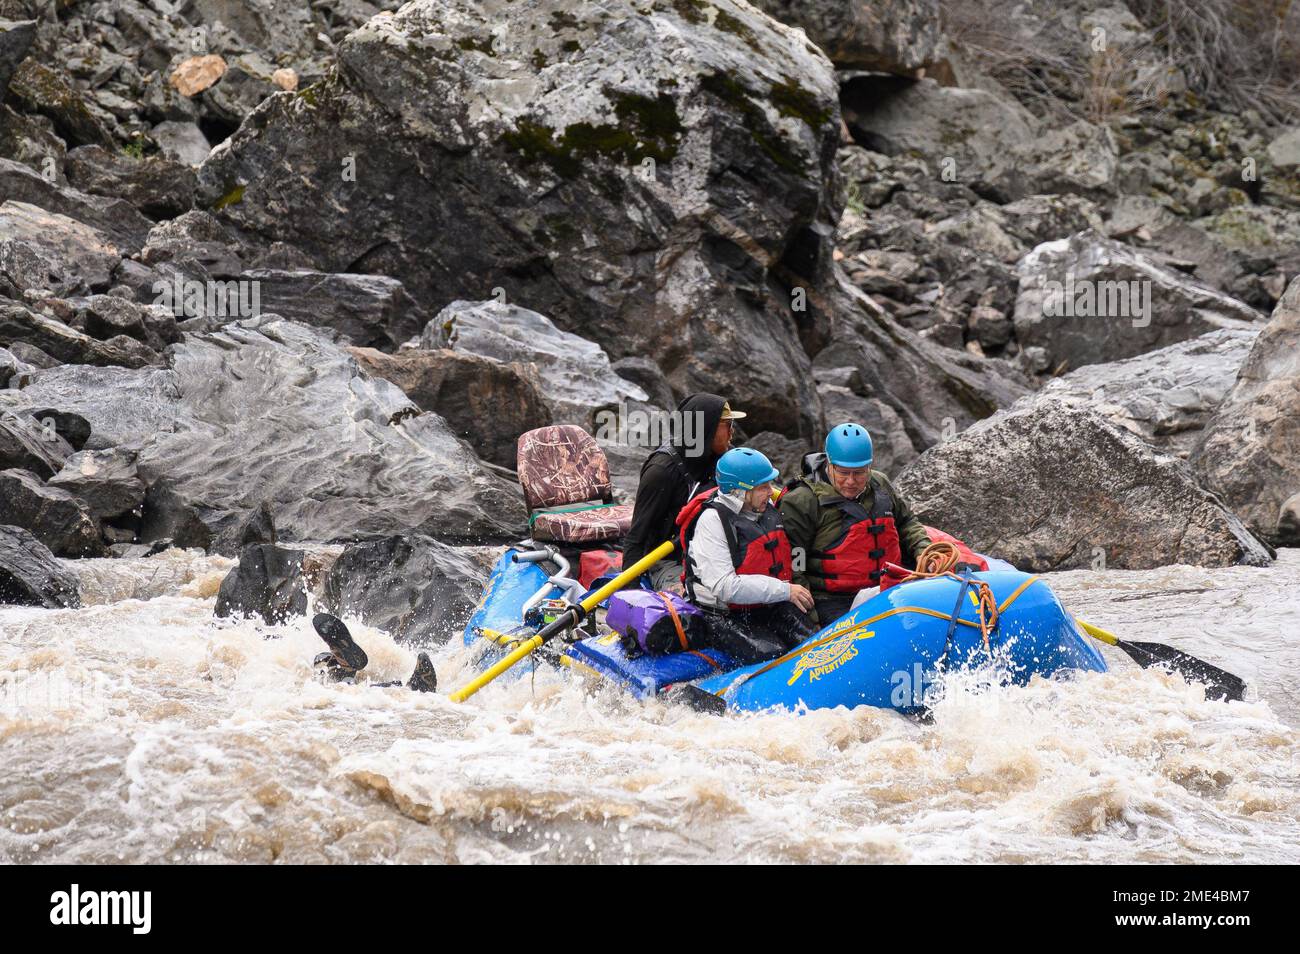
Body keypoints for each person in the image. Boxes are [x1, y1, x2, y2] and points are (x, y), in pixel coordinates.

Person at [778, 422, 930, 626]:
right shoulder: (802, 502)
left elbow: (906, 522)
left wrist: (923, 550)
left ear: (869, 466)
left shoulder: (880, 484)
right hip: (832, 599)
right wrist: (811, 620)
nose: (851, 481)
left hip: (888, 584)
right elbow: (794, 563)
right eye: (843, 473)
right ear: (829, 464)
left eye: (859, 473)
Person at [677, 447, 817, 664]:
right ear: (739, 492)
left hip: (768, 605)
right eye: (763, 487)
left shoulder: (761, 506)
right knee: (772, 655)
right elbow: (725, 586)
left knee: (815, 642)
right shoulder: (712, 522)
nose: (771, 492)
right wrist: (784, 590)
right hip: (721, 615)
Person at [623, 392, 745, 591]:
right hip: (669, 560)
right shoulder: (661, 472)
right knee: (697, 600)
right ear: (706, 427)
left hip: (715, 551)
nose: (733, 432)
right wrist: (630, 595)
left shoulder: (724, 458)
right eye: (728, 425)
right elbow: (637, 538)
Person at [311, 613, 438, 692]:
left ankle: (339, 667)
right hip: (341, 702)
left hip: (327, 696)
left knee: (348, 690)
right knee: (356, 693)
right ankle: (413, 689)